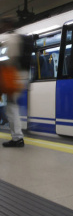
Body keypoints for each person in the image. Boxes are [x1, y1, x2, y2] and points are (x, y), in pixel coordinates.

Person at [0, 17, 32, 147]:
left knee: (11, 108)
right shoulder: (18, 36)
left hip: (13, 76)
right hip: (19, 76)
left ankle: (17, 138)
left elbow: (10, 60)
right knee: (12, 107)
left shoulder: (11, 38)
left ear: (8, 25)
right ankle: (17, 137)